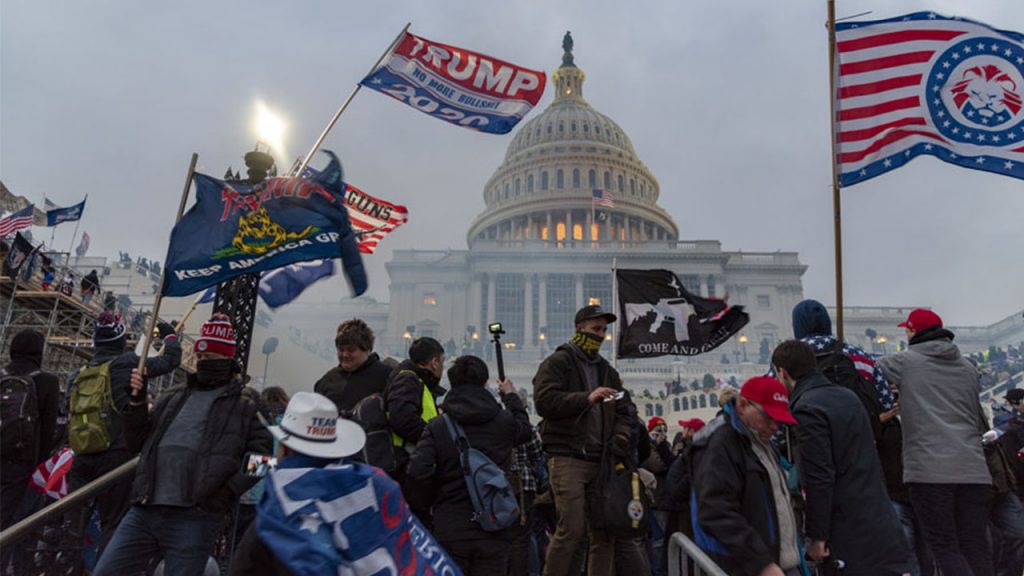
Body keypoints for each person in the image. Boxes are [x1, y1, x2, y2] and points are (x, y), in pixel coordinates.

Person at [93, 314, 272, 576]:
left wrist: (227, 493)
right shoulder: (173, 395)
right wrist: (137, 403)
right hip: (146, 508)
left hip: (196, 516)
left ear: (227, 358)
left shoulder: (249, 403)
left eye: (210, 358)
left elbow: (265, 459)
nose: (203, 364)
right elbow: (137, 442)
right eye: (201, 358)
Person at [772, 340, 910, 576]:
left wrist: (817, 535)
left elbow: (819, 476)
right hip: (878, 517)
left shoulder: (806, 409)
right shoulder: (848, 396)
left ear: (782, 372)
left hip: (848, 528)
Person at [878, 308, 994, 576]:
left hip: (930, 471)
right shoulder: (968, 367)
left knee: (944, 546)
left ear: (913, 332)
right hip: (974, 470)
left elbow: (871, 371)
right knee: (975, 545)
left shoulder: (903, 362)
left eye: (907, 331)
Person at [406, 355, 532, 576]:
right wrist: (511, 396)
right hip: (493, 525)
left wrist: (429, 510)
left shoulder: (438, 427)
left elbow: (418, 474)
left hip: (450, 524)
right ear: (484, 384)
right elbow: (525, 430)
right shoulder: (502, 422)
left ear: (452, 384)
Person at [67, 311, 181, 552]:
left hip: (81, 456)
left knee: (73, 525)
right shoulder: (127, 364)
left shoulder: (78, 374)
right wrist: (170, 336)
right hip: (116, 457)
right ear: (120, 341)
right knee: (113, 524)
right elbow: (169, 361)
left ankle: (62, 565)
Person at [532, 304, 633, 576]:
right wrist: (585, 398)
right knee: (571, 529)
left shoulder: (607, 371)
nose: (600, 335)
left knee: (604, 531)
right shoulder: (558, 362)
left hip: (601, 461)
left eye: (603, 330)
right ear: (579, 328)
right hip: (569, 457)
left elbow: (625, 410)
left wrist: (621, 435)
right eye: (595, 328)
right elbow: (544, 401)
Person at [690, 376, 802, 576]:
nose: (774, 426)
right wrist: (760, 563)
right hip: (751, 568)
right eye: (768, 417)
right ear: (742, 405)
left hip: (778, 563)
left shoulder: (761, 441)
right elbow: (715, 510)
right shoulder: (720, 443)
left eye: (779, 420)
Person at [1, 330, 60, 529]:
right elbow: (47, 431)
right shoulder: (47, 382)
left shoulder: (2, 376)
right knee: (10, 519)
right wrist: (38, 463)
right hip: (21, 461)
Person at [386, 336, 446, 477]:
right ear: (435, 362)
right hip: (406, 464)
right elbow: (403, 420)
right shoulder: (407, 380)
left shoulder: (419, 382)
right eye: (442, 362)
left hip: (414, 461)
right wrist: (435, 439)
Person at [314, 318, 392, 413]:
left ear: (367, 349)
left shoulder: (386, 377)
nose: (345, 355)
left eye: (351, 350)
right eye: (341, 350)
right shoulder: (327, 380)